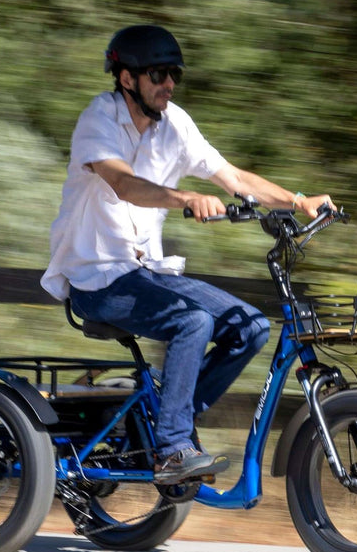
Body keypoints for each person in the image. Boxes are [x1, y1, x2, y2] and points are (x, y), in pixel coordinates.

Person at [40, 24, 333, 483]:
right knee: (192, 322)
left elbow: (234, 178)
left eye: (174, 74)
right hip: (96, 279)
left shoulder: (175, 124)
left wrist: (298, 201)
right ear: (127, 78)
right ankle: (172, 449)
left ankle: (166, 416)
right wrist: (185, 198)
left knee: (251, 327)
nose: (169, 84)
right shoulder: (98, 120)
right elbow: (124, 184)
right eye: (158, 74)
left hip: (147, 273)